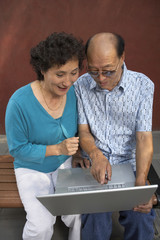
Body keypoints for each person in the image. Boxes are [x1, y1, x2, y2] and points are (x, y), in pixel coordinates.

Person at [73, 32, 155, 240]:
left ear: (122, 58)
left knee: (141, 219)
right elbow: (84, 131)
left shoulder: (143, 86)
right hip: (95, 165)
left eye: (108, 71)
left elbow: (144, 139)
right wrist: (96, 156)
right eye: (94, 71)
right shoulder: (81, 85)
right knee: (95, 220)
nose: (100, 79)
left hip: (130, 164)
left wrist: (140, 185)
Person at [5, 32, 85, 240]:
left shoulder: (75, 94)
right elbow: (17, 149)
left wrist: (76, 154)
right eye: (60, 74)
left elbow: (80, 131)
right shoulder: (19, 103)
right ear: (42, 70)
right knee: (41, 225)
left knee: (79, 215)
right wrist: (57, 149)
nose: (68, 81)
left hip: (64, 164)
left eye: (74, 72)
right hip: (31, 168)